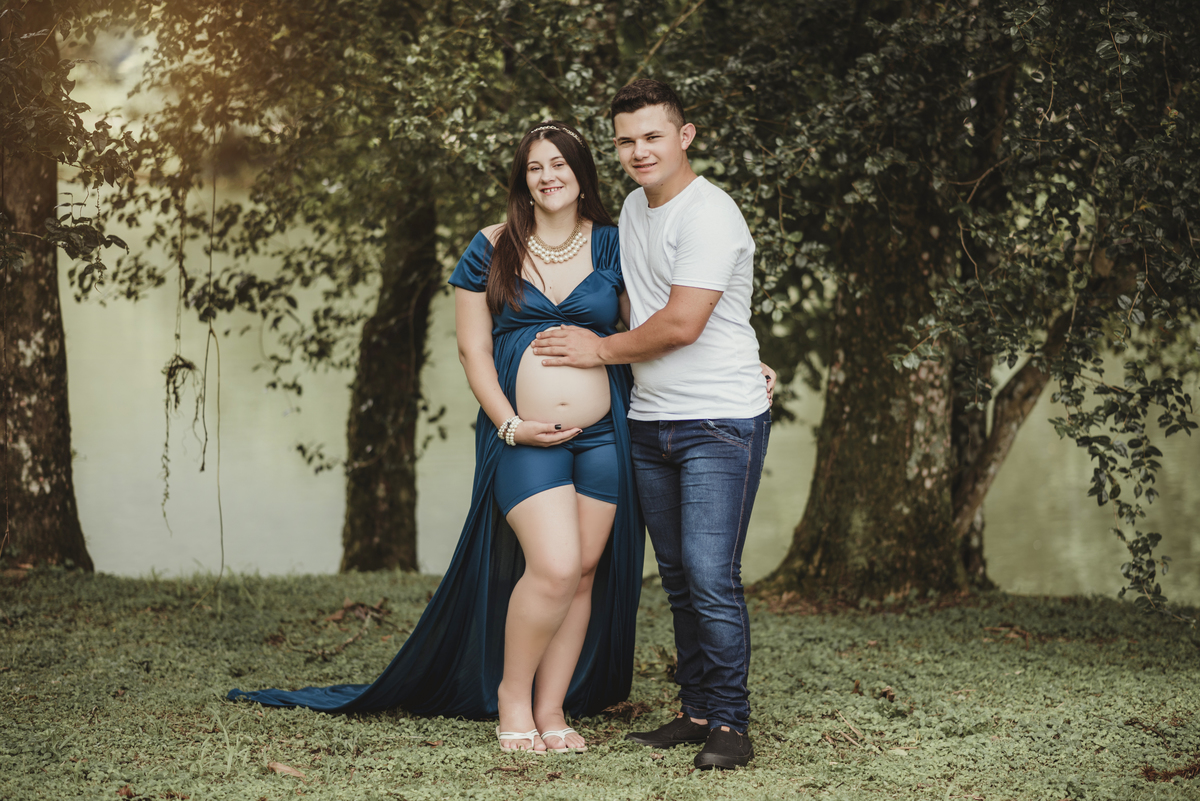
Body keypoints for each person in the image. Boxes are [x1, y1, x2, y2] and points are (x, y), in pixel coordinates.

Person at [228, 121, 644, 756]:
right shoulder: (491, 246)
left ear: (582, 175)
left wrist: (737, 362)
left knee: (584, 573)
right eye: (535, 167)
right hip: (523, 438)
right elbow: (473, 352)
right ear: (522, 179)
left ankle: (552, 708)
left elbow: (651, 330)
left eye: (559, 164)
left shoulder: (615, 245)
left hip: (602, 437)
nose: (548, 176)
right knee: (555, 566)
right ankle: (513, 698)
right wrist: (510, 424)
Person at [532, 79, 773, 770]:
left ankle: (730, 723)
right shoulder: (636, 208)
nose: (639, 151)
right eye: (626, 141)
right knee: (677, 577)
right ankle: (695, 710)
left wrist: (598, 351)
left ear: (684, 136)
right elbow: (637, 302)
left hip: (718, 420)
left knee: (711, 574)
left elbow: (682, 323)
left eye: (653, 137)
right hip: (650, 418)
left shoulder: (710, 213)